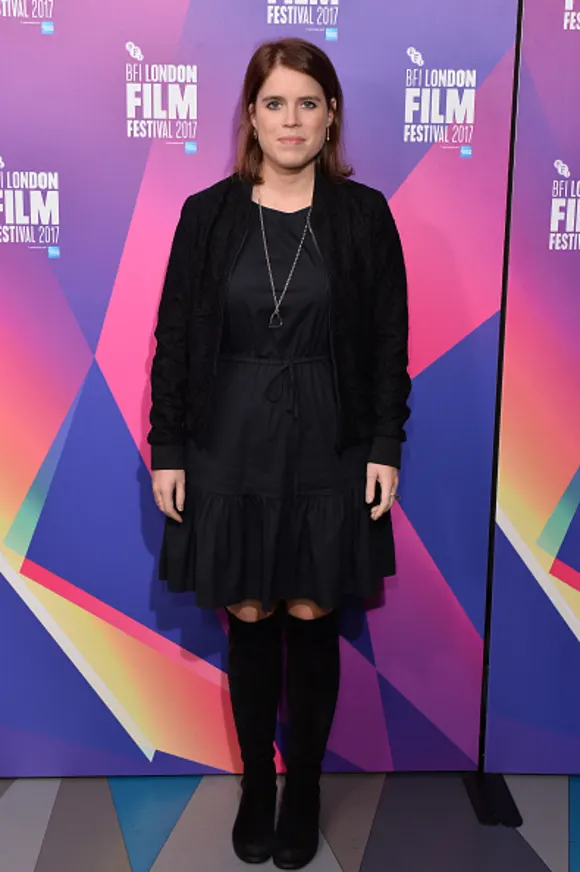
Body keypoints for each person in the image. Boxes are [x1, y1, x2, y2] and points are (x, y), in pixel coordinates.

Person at [148, 37, 411, 871]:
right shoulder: (207, 215)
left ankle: (304, 789)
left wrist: (384, 444)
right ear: (251, 117)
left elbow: (388, 340)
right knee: (251, 613)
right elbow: (176, 337)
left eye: (307, 102)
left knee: (311, 613)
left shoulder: (364, 215)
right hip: (228, 442)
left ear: (331, 115)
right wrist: (168, 447)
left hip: (329, 440)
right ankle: (256, 785)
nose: (290, 119)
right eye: (274, 103)